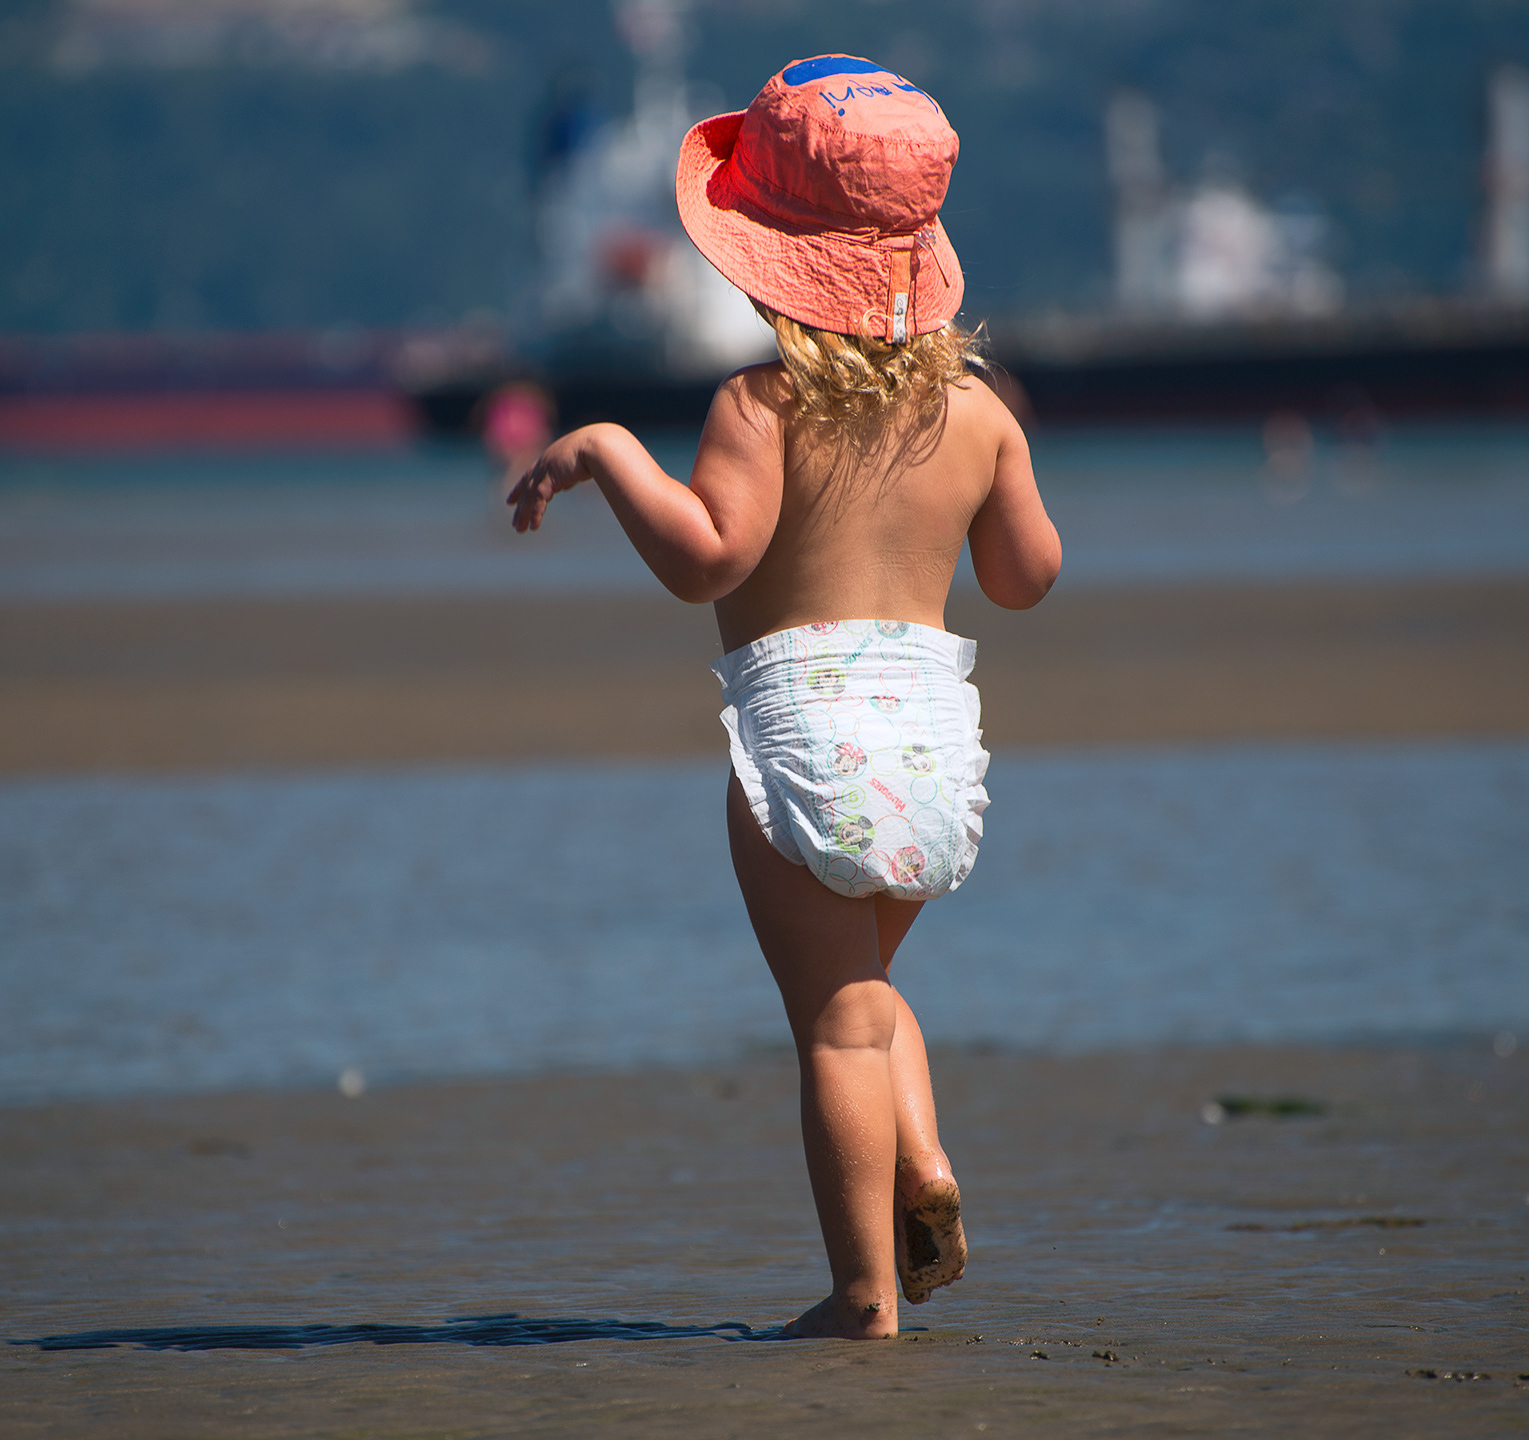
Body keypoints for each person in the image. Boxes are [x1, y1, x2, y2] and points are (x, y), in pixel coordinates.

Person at [507, 55, 1061, 1340]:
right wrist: (995, 478)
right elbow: (1025, 579)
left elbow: (708, 555)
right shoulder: (976, 413)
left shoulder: (755, 406)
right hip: (932, 742)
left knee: (833, 1022)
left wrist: (605, 451)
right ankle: (918, 1160)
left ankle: (862, 1299)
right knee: (867, 987)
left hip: (807, 736)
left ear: (763, 256)